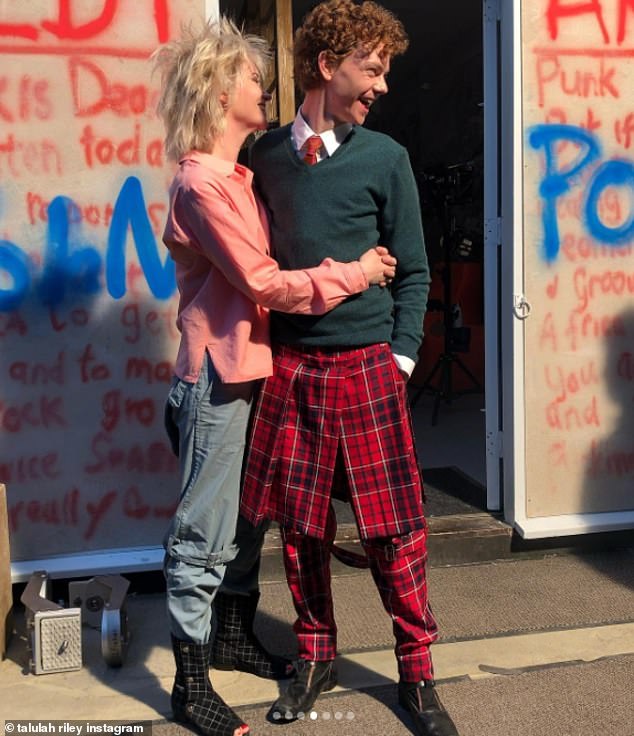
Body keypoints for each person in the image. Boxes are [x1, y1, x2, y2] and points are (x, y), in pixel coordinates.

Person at [152, 18, 396, 736]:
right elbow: (262, 281)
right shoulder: (200, 185)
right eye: (254, 78)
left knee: (247, 521)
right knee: (201, 533)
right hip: (216, 381)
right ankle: (187, 684)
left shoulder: (240, 176)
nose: (265, 87)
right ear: (221, 88)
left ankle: (230, 636)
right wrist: (352, 273)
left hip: (255, 372)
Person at [240, 2, 459, 735]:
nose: (384, 86)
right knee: (300, 531)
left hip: (368, 369)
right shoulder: (261, 157)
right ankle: (315, 658)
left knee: (395, 531)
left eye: (387, 71)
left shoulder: (386, 158)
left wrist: (398, 359)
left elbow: (416, 271)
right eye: (374, 68)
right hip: (292, 368)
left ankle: (418, 674)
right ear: (327, 66)